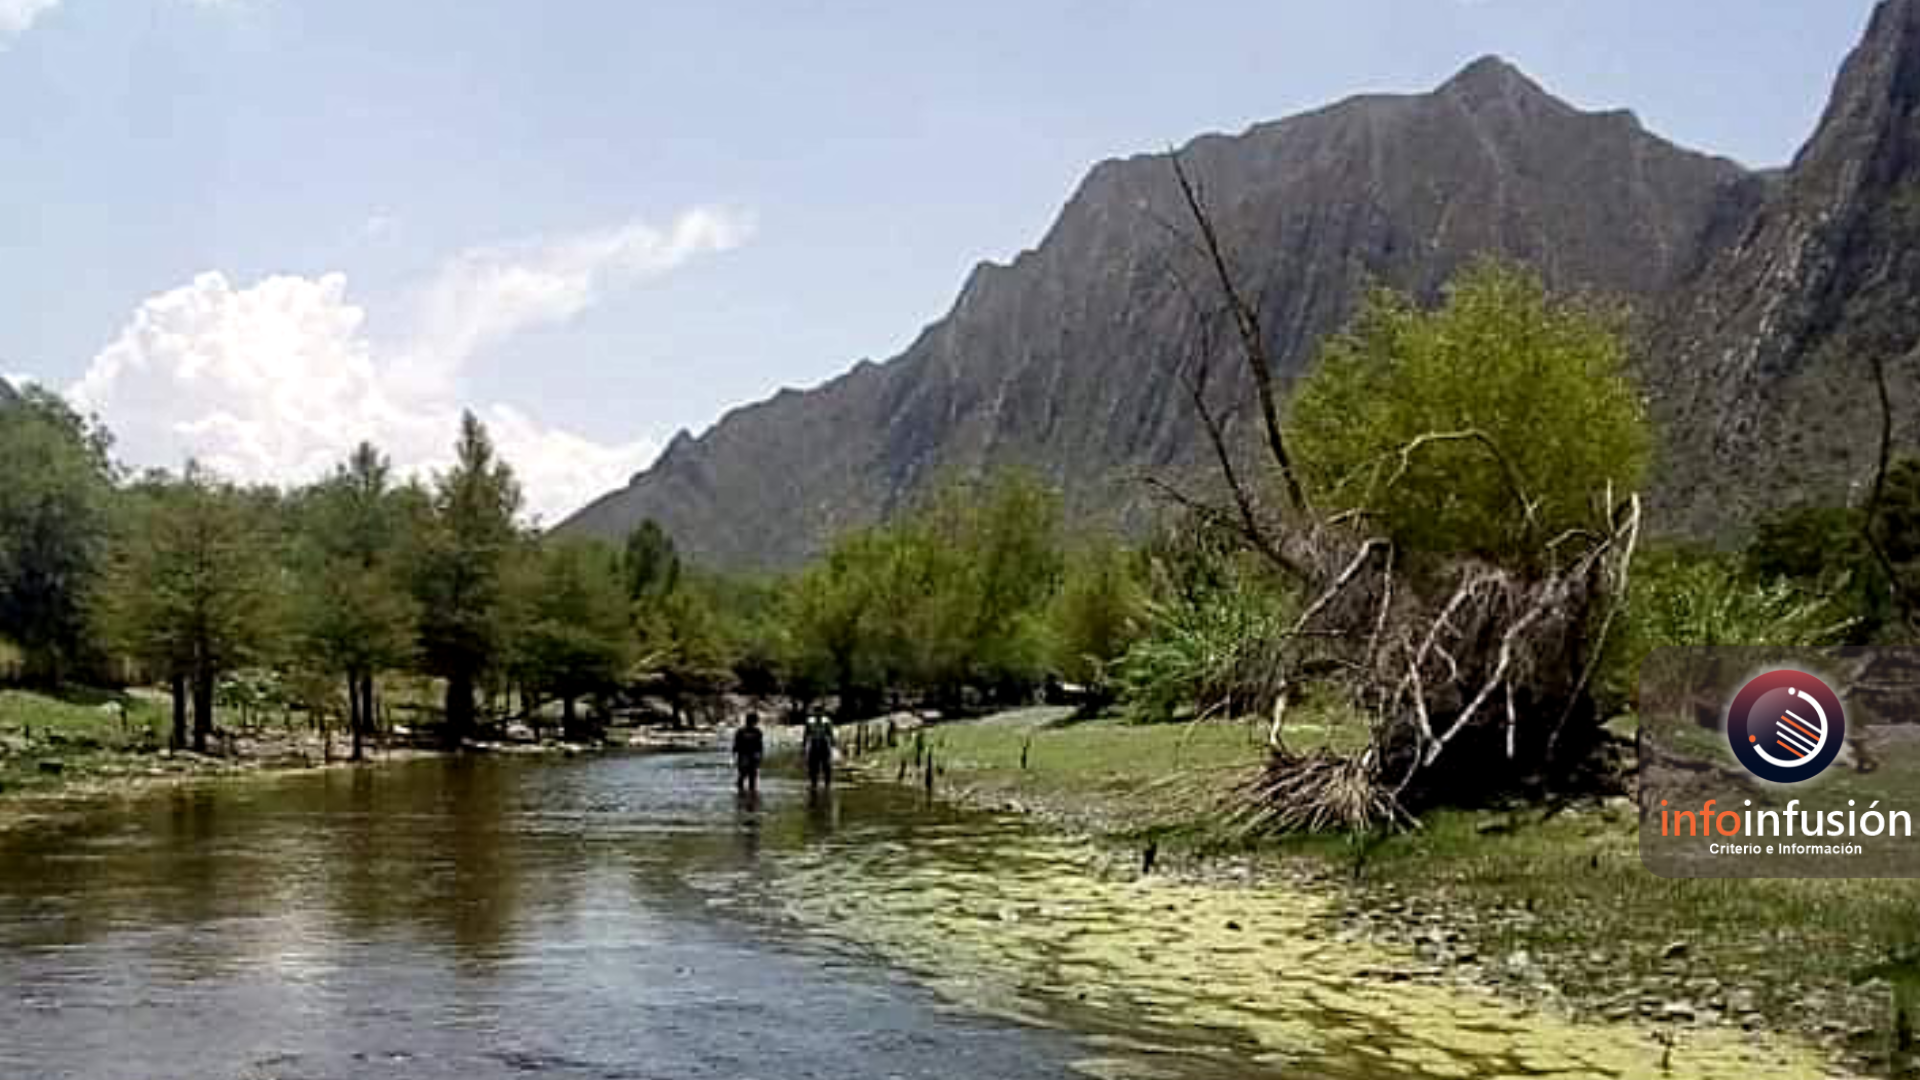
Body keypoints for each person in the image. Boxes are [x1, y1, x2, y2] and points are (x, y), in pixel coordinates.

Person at [732, 713, 764, 795]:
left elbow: (760, 745)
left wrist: (760, 756)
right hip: (743, 756)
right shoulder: (740, 731)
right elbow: (736, 745)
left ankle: (751, 795)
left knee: (753, 777)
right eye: (755, 720)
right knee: (743, 774)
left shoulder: (758, 732)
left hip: (753, 757)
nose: (756, 722)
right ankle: (740, 792)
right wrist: (734, 756)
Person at [803, 714, 836, 791]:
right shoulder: (810, 721)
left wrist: (833, 744)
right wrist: (804, 746)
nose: (818, 714)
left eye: (820, 711)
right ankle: (813, 784)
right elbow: (806, 735)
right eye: (817, 711)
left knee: (826, 766)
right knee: (813, 766)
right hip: (814, 744)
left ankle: (827, 784)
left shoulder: (826, 721)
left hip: (823, 744)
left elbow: (830, 733)